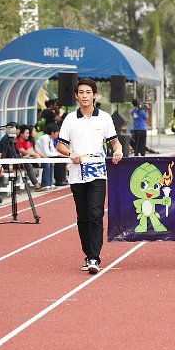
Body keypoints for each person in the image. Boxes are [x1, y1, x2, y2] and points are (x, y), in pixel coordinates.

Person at [57, 78, 123, 274]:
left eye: (88, 92)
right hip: (77, 175)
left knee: (96, 214)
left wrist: (118, 151)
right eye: (81, 92)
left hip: (98, 174)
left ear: (94, 95)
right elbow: (60, 145)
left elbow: (115, 143)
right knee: (83, 217)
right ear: (76, 96)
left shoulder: (104, 118)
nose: (85, 96)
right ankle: (88, 254)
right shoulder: (70, 119)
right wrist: (70, 153)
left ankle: (94, 257)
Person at [15, 125, 46, 191]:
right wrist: (35, 154)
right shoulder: (17, 141)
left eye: (29, 133)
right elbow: (23, 151)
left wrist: (33, 155)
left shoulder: (26, 142)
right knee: (28, 165)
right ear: (21, 134)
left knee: (39, 163)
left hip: (24, 160)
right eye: (27, 133)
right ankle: (36, 185)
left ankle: (45, 183)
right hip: (15, 161)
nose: (28, 135)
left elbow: (28, 151)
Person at [34, 123, 60, 189]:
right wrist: (58, 154)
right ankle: (45, 184)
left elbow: (52, 150)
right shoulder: (45, 138)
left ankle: (50, 183)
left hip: (44, 157)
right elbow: (47, 153)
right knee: (48, 163)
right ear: (52, 132)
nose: (58, 134)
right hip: (38, 157)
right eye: (57, 132)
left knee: (51, 163)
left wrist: (58, 154)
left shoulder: (50, 139)